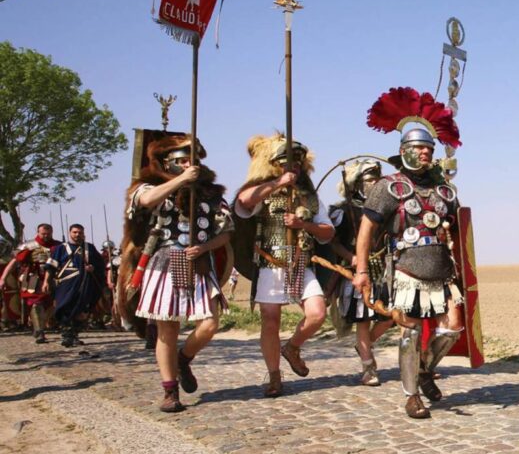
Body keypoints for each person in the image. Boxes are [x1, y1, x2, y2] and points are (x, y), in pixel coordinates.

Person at [355, 87, 465, 419]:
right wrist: (362, 271)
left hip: (441, 269)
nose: (426, 153)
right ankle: (412, 395)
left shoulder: (444, 191)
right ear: (404, 150)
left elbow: (457, 229)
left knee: (453, 327)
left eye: (429, 148)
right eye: (419, 148)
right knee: (410, 332)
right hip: (407, 269)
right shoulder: (388, 187)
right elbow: (366, 230)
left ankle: (425, 370)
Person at [123, 135, 233, 413]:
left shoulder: (211, 193)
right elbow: (146, 200)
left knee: (209, 324)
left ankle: (183, 359)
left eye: (191, 160)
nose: (188, 164)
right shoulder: (149, 186)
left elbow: (226, 232)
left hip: (200, 263)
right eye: (182, 160)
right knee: (167, 329)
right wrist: (182, 180)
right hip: (165, 261)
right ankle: (170, 390)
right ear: (167, 163)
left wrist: (205, 247)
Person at [234, 134, 334, 397]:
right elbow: (243, 201)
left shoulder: (309, 197)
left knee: (317, 313)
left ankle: (292, 347)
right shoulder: (263, 192)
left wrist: (304, 225)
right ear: (275, 165)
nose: (294, 167)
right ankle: (274, 376)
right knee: (270, 321)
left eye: (298, 163)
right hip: (270, 264)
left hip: (301, 263)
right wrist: (278, 183)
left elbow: (327, 232)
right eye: (288, 163)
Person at [327, 159, 393, 386]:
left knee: (391, 315)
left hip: (383, 270)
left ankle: (365, 345)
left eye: (377, 180)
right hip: (357, 271)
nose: (374, 184)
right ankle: (368, 367)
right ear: (357, 184)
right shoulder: (343, 211)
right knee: (363, 319)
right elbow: (333, 242)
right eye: (370, 180)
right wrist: (351, 257)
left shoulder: (386, 208)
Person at [42, 224, 105, 347]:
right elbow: (51, 267)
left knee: (81, 310)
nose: (77, 235)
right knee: (65, 308)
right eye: (75, 232)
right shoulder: (61, 248)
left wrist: (93, 267)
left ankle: (75, 334)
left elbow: (100, 264)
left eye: (80, 232)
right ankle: (67, 335)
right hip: (66, 285)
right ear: (70, 233)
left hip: (85, 284)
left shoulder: (90, 248)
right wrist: (46, 282)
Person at [0, 224, 59, 343]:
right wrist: (3, 278)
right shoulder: (29, 246)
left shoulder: (58, 246)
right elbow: (14, 262)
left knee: (51, 305)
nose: (46, 236)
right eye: (43, 234)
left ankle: (44, 326)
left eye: (48, 234)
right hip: (34, 279)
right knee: (36, 304)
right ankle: (39, 331)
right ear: (38, 232)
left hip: (54, 278)